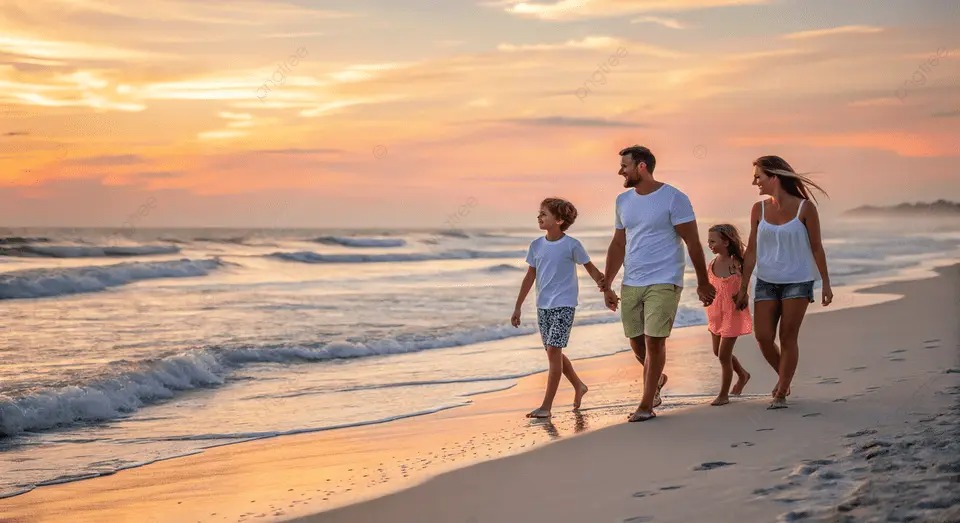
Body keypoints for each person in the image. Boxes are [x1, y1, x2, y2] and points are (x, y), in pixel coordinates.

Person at [601, 145, 716, 422]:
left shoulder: (674, 198)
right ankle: (658, 378)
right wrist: (608, 284)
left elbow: (693, 242)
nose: (620, 171)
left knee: (654, 341)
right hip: (632, 281)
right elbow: (618, 243)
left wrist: (703, 282)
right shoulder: (623, 201)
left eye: (625, 166)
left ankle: (646, 404)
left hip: (665, 279)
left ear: (641, 166)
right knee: (636, 342)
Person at [733, 155, 833, 410]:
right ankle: (785, 378)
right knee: (763, 337)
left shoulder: (805, 208)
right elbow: (752, 250)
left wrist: (826, 283)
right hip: (766, 280)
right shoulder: (758, 209)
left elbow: (817, 247)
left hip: (798, 280)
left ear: (774, 177)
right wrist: (743, 287)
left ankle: (781, 391)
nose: (755, 182)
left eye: (758, 177)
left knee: (788, 336)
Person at [511, 197, 605, 419]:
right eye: (539, 213)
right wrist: (518, 307)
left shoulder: (572, 245)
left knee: (553, 351)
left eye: (544, 214)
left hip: (564, 305)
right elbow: (530, 276)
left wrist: (605, 287)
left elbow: (591, 269)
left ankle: (546, 407)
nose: (539, 217)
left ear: (560, 220)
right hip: (543, 307)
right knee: (553, 353)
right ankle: (579, 385)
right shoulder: (536, 246)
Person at [705, 224, 752, 406]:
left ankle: (723, 395)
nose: (709, 245)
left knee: (724, 355)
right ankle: (743, 374)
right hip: (715, 313)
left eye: (713, 241)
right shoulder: (712, 263)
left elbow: (745, 283)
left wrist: (744, 294)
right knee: (717, 352)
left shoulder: (736, 262)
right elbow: (710, 286)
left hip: (732, 314)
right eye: (708, 241)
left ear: (726, 242)